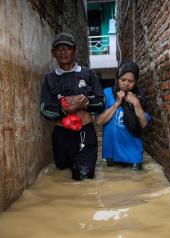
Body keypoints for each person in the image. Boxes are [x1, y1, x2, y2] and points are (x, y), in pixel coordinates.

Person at [40, 32, 105, 180]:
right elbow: (44, 110)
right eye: (59, 48)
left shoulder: (88, 74)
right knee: (62, 170)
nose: (63, 52)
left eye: (67, 48)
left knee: (83, 179)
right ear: (53, 53)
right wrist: (66, 109)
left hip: (84, 134)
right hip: (61, 136)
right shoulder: (49, 79)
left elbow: (101, 102)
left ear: (75, 51)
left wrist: (85, 103)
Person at [96, 60, 150, 170]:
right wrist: (116, 104)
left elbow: (144, 124)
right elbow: (99, 121)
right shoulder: (107, 93)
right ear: (117, 78)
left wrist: (136, 103)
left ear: (136, 82)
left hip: (133, 155)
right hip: (112, 153)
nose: (126, 83)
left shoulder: (139, 96)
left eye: (131, 81)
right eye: (123, 79)